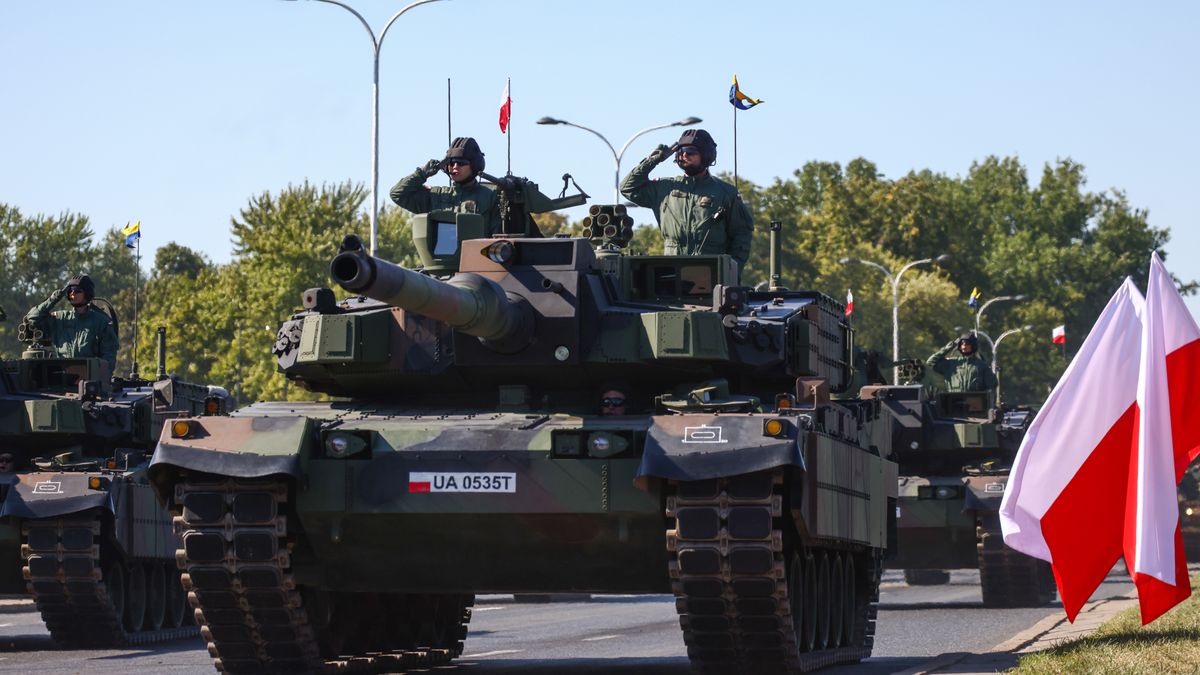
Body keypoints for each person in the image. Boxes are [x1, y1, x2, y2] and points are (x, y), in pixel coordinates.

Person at [619, 129, 754, 274]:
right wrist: (653, 160)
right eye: (680, 151)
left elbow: (742, 235)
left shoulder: (725, 193)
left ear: (705, 155)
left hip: (711, 272)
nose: (683, 155)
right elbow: (628, 188)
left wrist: (733, 269)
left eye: (690, 152)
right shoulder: (665, 189)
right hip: (671, 271)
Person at [24, 273, 118, 372]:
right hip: (63, 377)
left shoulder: (101, 322)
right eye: (70, 291)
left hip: (89, 378)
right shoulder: (61, 318)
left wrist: (99, 377)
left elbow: (109, 357)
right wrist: (52, 300)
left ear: (87, 293)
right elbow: (32, 317)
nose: (73, 294)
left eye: (77, 291)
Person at [925, 332, 997, 393]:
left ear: (973, 345)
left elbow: (992, 386)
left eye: (967, 344)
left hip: (975, 403)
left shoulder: (981, 366)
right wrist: (949, 347)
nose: (964, 346)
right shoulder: (951, 364)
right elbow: (930, 362)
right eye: (962, 344)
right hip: (953, 401)